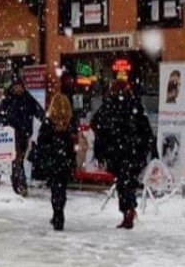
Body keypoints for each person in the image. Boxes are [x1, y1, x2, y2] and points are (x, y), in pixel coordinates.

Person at [91, 80, 157, 229]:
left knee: (124, 183)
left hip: (118, 153)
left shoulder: (110, 107)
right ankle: (129, 210)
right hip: (132, 153)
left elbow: (98, 127)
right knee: (126, 182)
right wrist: (147, 149)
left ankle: (128, 212)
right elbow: (146, 131)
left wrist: (100, 153)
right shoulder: (133, 106)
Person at [0, 78, 45, 196]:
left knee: (18, 160)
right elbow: (0, 113)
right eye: (16, 86)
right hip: (12, 135)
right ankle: (20, 185)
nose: (18, 89)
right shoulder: (9, 99)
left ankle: (17, 185)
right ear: (13, 87)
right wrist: (5, 122)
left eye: (20, 86)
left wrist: (45, 122)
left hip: (24, 134)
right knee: (16, 160)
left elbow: (39, 112)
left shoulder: (27, 98)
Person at [34, 93, 75, 231]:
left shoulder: (48, 123)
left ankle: (57, 214)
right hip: (64, 162)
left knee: (55, 189)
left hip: (52, 161)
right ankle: (58, 212)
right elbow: (71, 145)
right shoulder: (69, 124)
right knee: (61, 188)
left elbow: (41, 141)